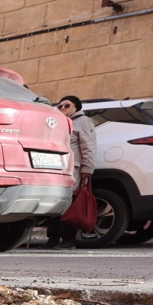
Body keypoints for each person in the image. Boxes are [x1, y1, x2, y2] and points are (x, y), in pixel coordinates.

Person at [45, 95, 96, 249]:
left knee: (69, 204)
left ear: (76, 107)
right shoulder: (58, 122)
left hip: (73, 168)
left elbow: (88, 145)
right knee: (54, 203)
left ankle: (68, 240)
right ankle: (52, 239)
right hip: (55, 167)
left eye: (66, 105)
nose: (62, 109)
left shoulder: (83, 121)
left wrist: (87, 168)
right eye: (59, 106)